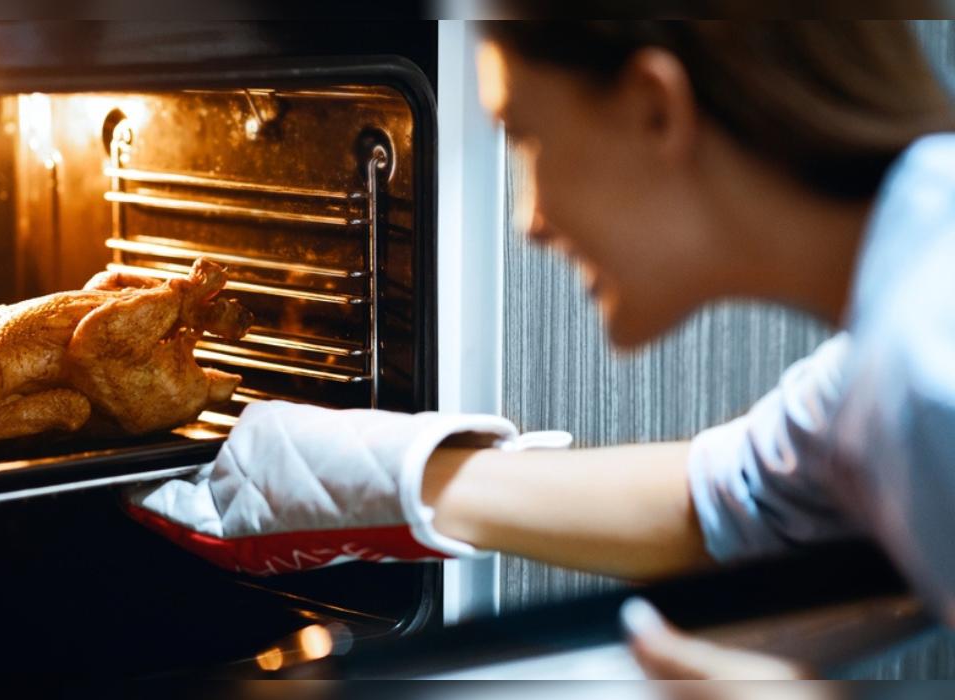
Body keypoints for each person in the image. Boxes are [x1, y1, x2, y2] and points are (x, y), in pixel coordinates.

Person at [124, 19, 955, 680]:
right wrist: (392, 474)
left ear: (654, 109)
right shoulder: (900, 320)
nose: (530, 217)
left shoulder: (927, 374)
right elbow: (743, 494)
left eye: (524, 136)